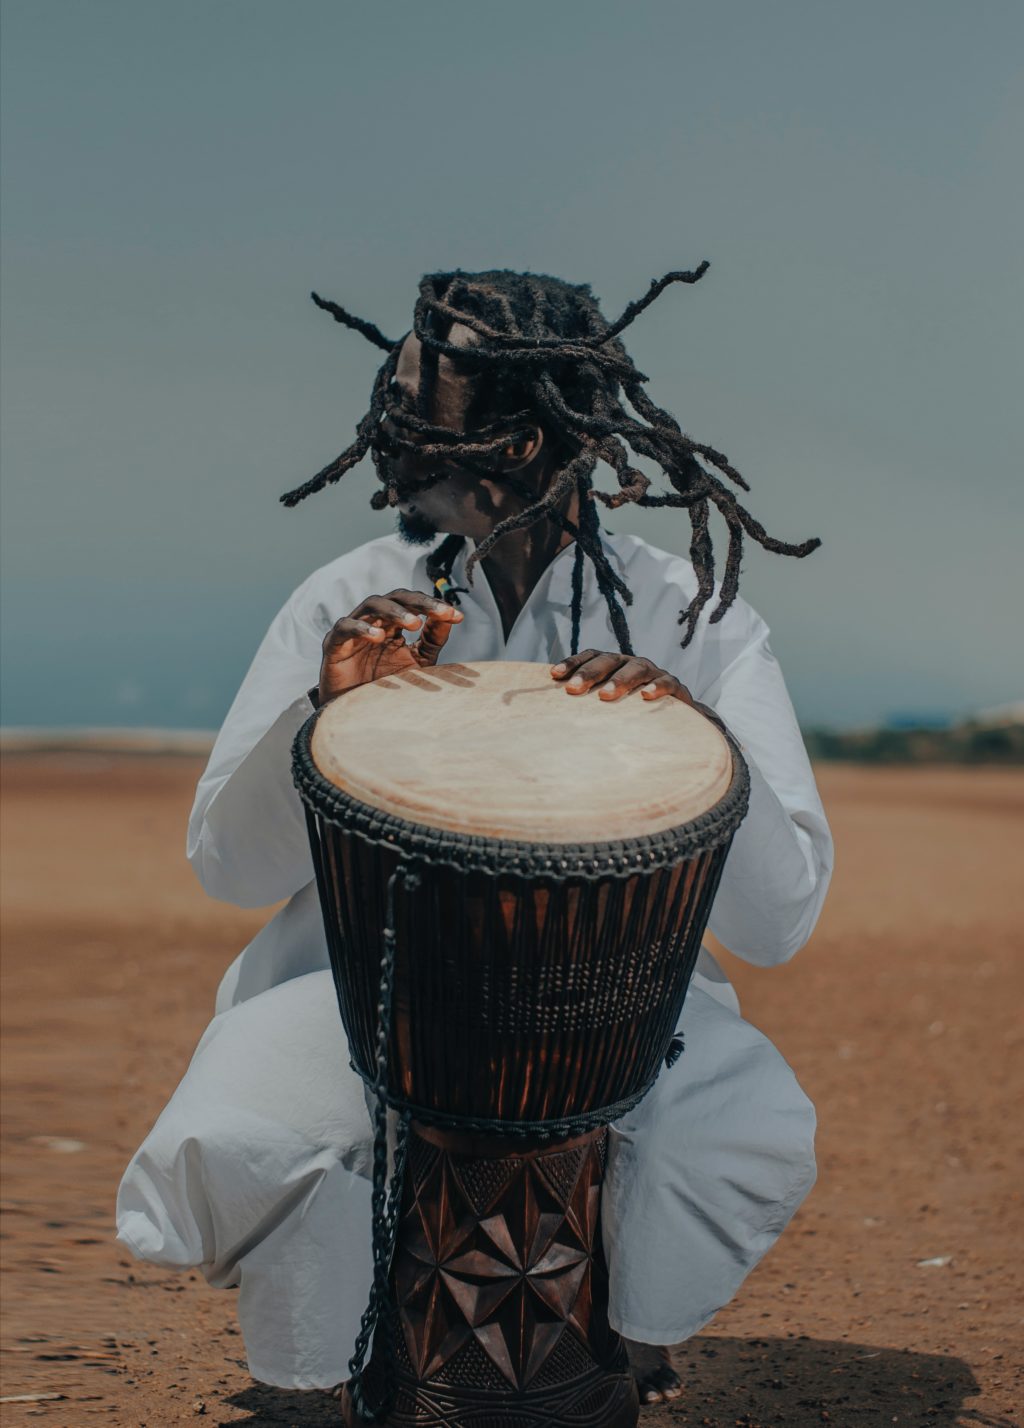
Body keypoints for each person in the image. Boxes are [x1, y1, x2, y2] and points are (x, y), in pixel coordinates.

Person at [116, 267, 833, 1409]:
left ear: (543, 436)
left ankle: (617, 1333)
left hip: (622, 1011)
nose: (398, 458)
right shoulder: (346, 600)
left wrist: (698, 749)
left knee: (731, 1127)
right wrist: (329, 712)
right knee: (250, 1126)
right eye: (392, 422)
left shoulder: (689, 616)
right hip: (360, 993)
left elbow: (777, 924)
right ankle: (332, 1377)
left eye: (432, 430)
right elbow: (229, 866)